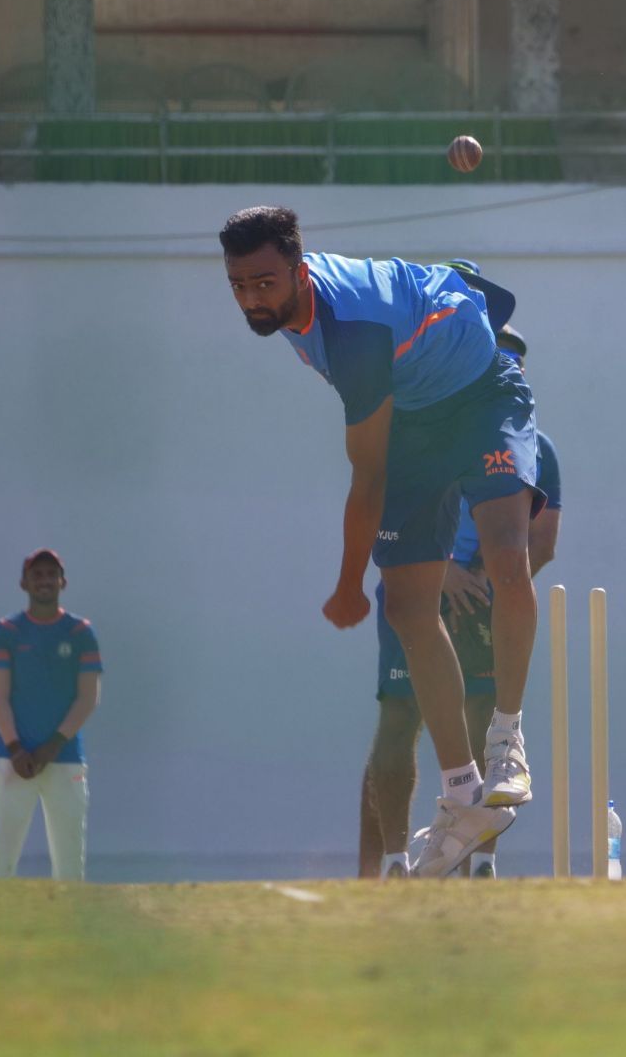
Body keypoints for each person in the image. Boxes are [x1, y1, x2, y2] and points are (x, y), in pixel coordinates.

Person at [220, 206, 543, 877]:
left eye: (266, 283)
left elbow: (366, 479)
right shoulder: (291, 311)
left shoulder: (353, 335)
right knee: (405, 607)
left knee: (509, 555)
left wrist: (344, 587)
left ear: (299, 269)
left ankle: (507, 737)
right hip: (419, 415)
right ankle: (463, 793)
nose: (253, 298)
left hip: (483, 394)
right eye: (240, 285)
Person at [359, 324, 563, 879]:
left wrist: (487, 585)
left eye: (515, 361)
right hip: (418, 588)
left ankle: (479, 864)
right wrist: (443, 572)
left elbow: (541, 542)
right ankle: (395, 859)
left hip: (482, 603)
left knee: (483, 723)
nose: (507, 369)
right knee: (400, 718)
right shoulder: (423, 424)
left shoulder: (533, 444)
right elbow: (384, 508)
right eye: (497, 358)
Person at [0, 549, 102, 881]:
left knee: (69, 862)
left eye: (51, 574)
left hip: (65, 760)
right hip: (14, 760)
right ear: (24, 583)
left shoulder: (80, 632)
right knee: (1, 859)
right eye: (37, 575)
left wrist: (52, 746)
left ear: (63, 582)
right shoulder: (6, 630)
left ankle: (68, 928)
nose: (45, 581)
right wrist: (17, 749)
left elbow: (88, 698)